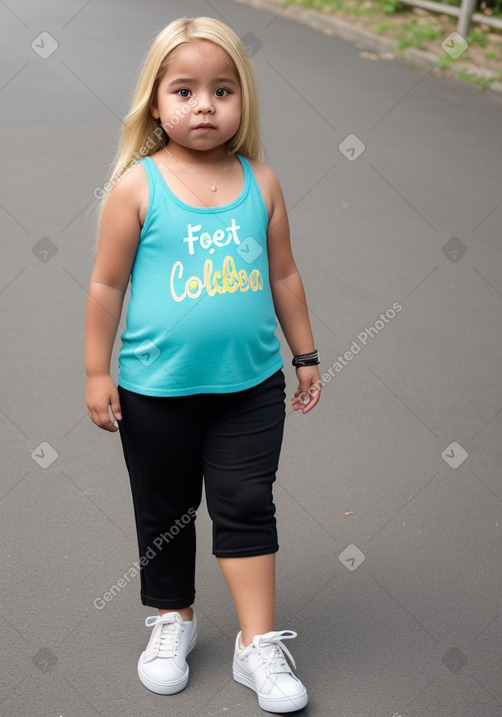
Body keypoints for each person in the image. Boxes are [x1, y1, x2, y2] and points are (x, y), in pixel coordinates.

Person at [85, 15, 321, 714]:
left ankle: (257, 643)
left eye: (222, 90)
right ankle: (172, 619)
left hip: (249, 387)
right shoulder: (136, 186)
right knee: (166, 509)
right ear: (154, 102)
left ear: (242, 99)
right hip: (154, 389)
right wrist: (97, 372)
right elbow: (106, 285)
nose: (205, 105)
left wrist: (304, 354)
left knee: (247, 503)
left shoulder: (262, 182)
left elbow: (283, 275)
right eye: (184, 91)